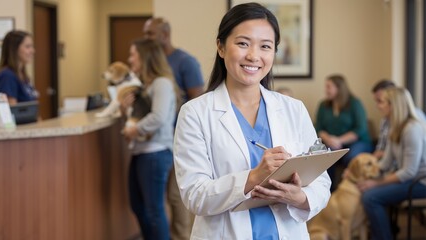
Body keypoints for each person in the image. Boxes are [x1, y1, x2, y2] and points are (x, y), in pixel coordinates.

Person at [173, 3, 331, 239]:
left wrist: (299, 197)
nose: (253, 56)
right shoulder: (195, 113)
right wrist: (254, 177)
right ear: (221, 47)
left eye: (265, 46)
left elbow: (321, 181)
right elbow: (194, 196)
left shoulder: (293, 109)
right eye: (243, 43)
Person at [143, 17, 205, 240]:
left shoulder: (185, 62)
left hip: (180, 138)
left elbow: (197, 100)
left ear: (165, 35)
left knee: (177, 196)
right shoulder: (153, 62)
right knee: (166, 197)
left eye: (150, 34)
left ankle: (182, 237)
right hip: (161, 139)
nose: (146, 38)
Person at [121, 38, 178, 240]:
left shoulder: (161, 83)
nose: (129, 60)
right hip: (143, 151)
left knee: (154, 210)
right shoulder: (146, 85)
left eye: (133, 55)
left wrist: (134, 129)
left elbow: (159, 117)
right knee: (138, 205)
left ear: (145, 57)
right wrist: (124, 109)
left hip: (156, 152)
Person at [359, 87, 426, 240]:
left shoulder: (412, 129)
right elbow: (385, 163)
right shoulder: (394, 127)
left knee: (371, 197)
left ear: (393, 105)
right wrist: (363, 174)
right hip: (410, 179)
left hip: (421, 182)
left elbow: (409, 172)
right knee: (367, 191)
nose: (378, 105)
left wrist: (375, 183)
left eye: (381, 102)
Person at [315, 74, 373, 190]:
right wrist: (328, 139)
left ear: (339, 88)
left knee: (351, 157)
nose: (325, 90)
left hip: (357, 142)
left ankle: (348, 192)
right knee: (324, 157)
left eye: (328, 87)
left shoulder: (355, 104)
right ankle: (326, 193)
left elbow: (360, 129)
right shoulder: (323, 105)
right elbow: (318, 127)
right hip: (332, 143)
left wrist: (339, 140)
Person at [371, 79, 426, 159]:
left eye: (380, 101)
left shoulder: (413, 125)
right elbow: (381, 149)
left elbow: (409, 169)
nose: (377, 106)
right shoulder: (386, 120)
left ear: (393, 101)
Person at [0, 30, 38, 105]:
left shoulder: (22, 74)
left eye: (32, 46)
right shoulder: (7, 76)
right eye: (28, 47)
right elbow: (13, 110)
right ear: (14, 49)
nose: (33, 51)